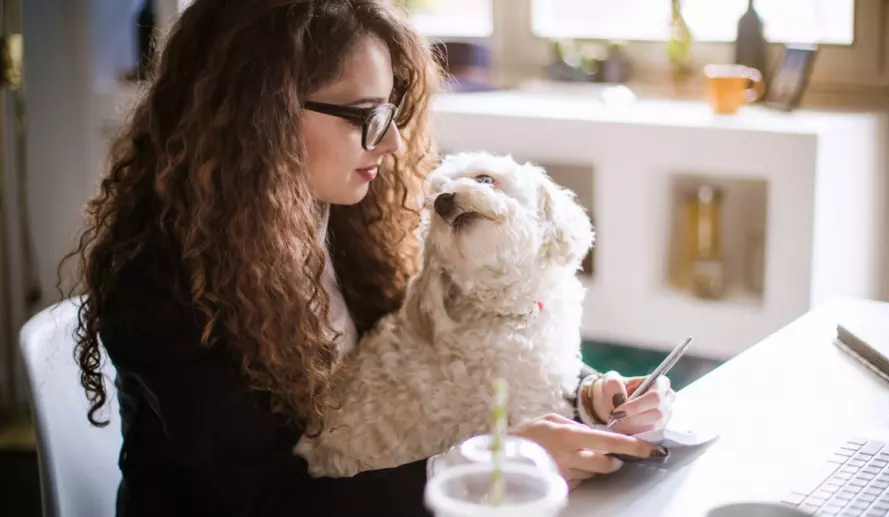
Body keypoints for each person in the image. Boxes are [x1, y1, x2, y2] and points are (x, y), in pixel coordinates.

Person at [60, 1, 675, 516]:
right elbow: (274, 501)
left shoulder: (351, 212)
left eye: (392, 112)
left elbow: (463, 339)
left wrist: (589, 391)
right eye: (366, 116)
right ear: (259, 116)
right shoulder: (156, 282)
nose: (395, 142)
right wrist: (482, 463)